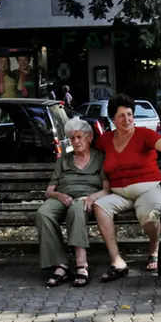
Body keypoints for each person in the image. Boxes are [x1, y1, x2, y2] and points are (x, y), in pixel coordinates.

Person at [93, 94, 161, 282]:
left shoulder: (144, 134)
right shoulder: (106, 140)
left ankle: (154, 249)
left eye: (129, 114)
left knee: (149, 213)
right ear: (113, 119)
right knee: (100, 206)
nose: (127, 119)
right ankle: (117, 260)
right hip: (119, 193)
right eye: (121, 116)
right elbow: (90, 148)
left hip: (148, 190)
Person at [36, 117, 109, 288]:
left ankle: (81, 265)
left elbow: (107, 189)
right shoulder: (63, 160)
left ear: (89, 137)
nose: (76, 142)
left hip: (86, 199)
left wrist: (92, 197)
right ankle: (61, 265)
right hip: (63, 197)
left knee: (77, 208)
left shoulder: (100, 158)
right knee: (43, 213)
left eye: (79, 137)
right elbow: (49, 191)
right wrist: (60, 196)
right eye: (72, 138)